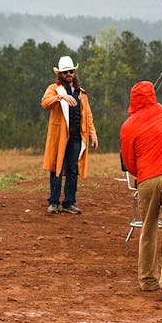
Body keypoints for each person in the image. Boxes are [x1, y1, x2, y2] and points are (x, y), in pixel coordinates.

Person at [120, 81, 162, 301]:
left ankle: (148, 280)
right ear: (152, 95)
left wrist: (143, 172)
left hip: (147, 179)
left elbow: (129, 163)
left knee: (147, 228)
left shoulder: (128, 126)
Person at [41, 55, 98, 214]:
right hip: (60, 138)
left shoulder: (81, 93)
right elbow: (45, 103)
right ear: (60, 74)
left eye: (71, 71)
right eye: (65, 72)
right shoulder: (54, 89)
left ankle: (69, 203)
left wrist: (93, 134)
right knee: (57, 168)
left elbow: (87, 115)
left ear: (74, 72)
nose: (69, 74)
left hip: (76, 138)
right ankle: (53, 202)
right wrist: (60, 97)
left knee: (73, 169)